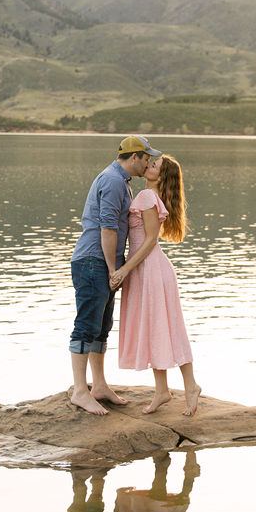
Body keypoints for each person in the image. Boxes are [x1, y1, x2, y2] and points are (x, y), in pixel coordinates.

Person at [69, 135, 161, 416]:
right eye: (146, 158)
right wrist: (113, 269)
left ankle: (99, 386)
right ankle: (79, 391)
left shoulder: (120, 181)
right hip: (94, 262)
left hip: (103, 262)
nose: (148, 163)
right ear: (134, 157)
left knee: (102, 326)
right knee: (86, 326)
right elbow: (107, 229)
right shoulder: (111, 182)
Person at [112, 154, 201, 416]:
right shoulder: (148, 196)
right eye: (150, 162)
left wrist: (125, 269)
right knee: (156, 328)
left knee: (169, 328)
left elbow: (150, 240)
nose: (149, 164)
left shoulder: (148, 197)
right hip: (147, 269)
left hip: (149, 269)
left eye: (155, 165)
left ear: (160, 177)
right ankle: (162, 391)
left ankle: (191, 386)